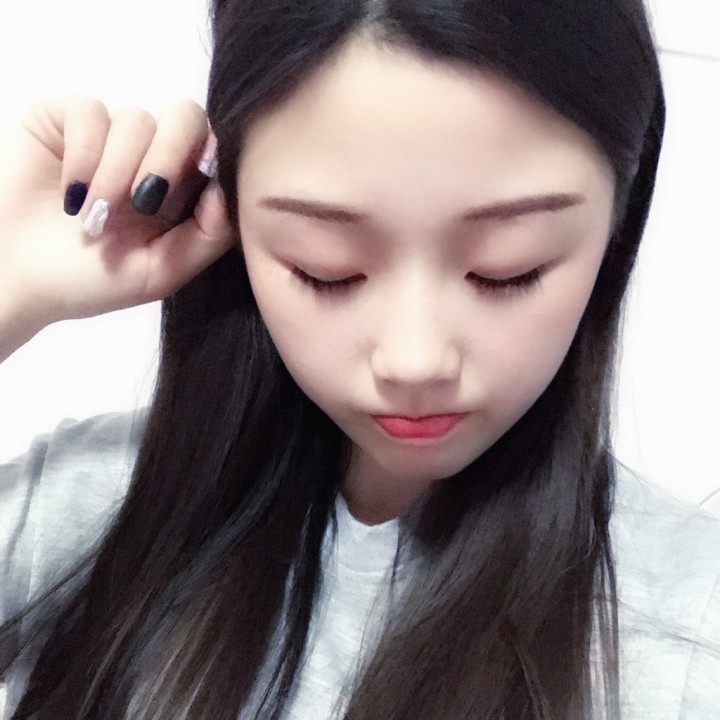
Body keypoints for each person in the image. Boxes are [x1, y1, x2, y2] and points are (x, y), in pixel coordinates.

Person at [1, 0, 719, 718]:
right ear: (235, 219)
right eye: (327, 270)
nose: (414, 360)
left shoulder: (689, 633)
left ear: (617, 221)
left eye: (508, 270)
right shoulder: (91, 509)